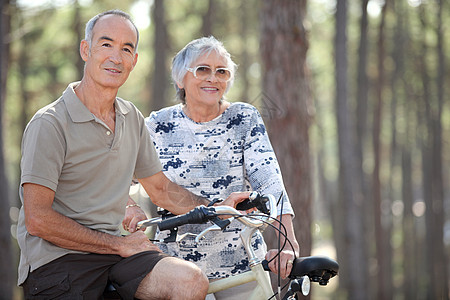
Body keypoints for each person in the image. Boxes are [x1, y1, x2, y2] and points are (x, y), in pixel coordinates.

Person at [17, 11, 248, 300]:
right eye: (106, 44)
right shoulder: (49, 123)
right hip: (59, 260)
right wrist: (116, 244)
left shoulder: (131, 118)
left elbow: (162, 190)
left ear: (134, 60)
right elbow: (38, 219)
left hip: (119, 256)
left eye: (126, 49)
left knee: (190, 281)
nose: (116, 57)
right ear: (86, 50)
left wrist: (215, 208)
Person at [144, 36, 300, 299]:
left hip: (242, 259)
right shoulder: (157, 124)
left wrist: (288, 241)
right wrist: (130, 207)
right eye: (202, 69)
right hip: (178, 266)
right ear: (181, 79)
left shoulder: (244, 118)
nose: (212, 78)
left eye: (221, 71)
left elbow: (268, 178)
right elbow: (120, 175)